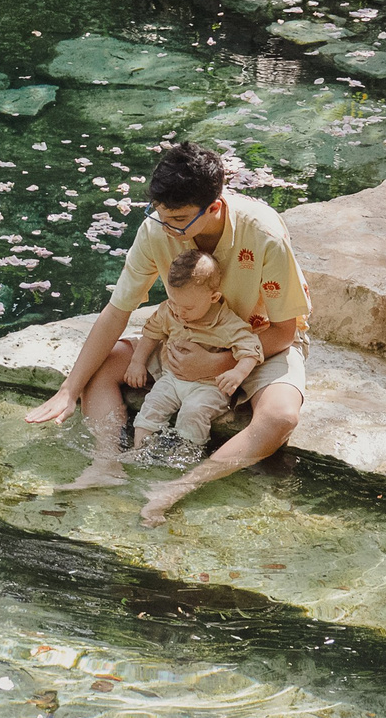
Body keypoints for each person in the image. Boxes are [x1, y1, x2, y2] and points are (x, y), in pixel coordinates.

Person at [24, 140, 309, 525]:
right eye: (159, 215)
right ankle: (107, 464)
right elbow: (116, 312)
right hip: (185, 336)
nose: (167, 229)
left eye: (178, 220)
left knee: (280, 418)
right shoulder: (158, 227)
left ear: (214, 207)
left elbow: (285, 333)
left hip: (259, 344)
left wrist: (219, 362)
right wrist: (68, 390)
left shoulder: (263, 234)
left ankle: (178, 488)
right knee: (103, 365)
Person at [123, 249, 264, 468]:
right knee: (153, 403)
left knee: (194, 411)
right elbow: (151, 332)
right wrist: (137, 362)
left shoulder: (226, 323)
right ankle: (139, 450)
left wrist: (238, 372)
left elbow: (251, 348)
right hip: (172, 378)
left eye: (188, 307)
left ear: (213, 297)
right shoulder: (169, 311)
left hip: (209, 386)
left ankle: (185, 458)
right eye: (173, 302)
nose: (179, 313)